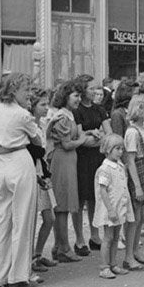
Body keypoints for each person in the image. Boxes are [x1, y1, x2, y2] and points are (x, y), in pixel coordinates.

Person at [0, 72, 44, 287]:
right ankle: (19, 275)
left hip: (2, 162)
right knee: (23, 219)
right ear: (14, 91)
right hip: (19, 161)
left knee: (3, 220)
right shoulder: (23, 115)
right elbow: (38, 139)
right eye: (25, 90)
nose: (28, 94)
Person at [45, 81, 89, 263]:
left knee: (65, 203)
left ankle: (59, 245)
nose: (79, 99)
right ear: (66, 97)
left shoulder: (67, 114)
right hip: (62, 159)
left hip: (68, 160)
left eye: (79, 95)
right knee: (62, 205)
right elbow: (67, 144)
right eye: (75, 96)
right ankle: (63, 247)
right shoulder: (62, 117)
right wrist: (83, 139)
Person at [71, 75, 109, 252]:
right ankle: (79, 238)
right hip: (81, 158)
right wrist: (94, 135)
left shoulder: (99, 109)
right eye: (91, 88)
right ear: (82, 90)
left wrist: (94, 136)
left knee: (95, 197)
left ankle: (95, 235)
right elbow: (81, 139)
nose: (95, 92)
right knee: (80, 199)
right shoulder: (77, 110)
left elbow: (109, 134)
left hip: (97, 158)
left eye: (96, 88)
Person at [93, 133, 134, 279]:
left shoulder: (119, 166)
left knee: (116, 236)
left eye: (122, 149)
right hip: (110, 208)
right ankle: (104, 266)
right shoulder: (105, 169)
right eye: (117, 148)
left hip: (119, 206)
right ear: (108, 149)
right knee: (108, 237)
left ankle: (113, 263)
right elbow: (103, 190)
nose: (120, 152)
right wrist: (110, 209)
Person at [122, 94, 144, 270]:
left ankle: (135, 250)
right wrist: (136, 186)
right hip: (138, 175)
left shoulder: (142, 129)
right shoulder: (132, 132)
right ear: (139, 109)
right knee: (134, 217)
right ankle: (128, 256)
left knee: (141, 215)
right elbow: (130, 160)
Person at [29, 91, 58, 273]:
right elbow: (36, 151)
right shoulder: (30, 125)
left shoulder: (40, 124)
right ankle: (30, 258)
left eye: (47, 104)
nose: (46, 108)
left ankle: (37, 253)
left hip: (42, 171)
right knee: (32, 219)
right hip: (34, 172)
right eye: (42, 105)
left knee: (49, 218)